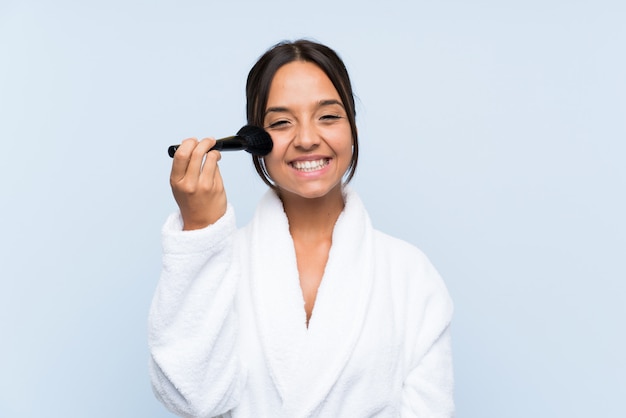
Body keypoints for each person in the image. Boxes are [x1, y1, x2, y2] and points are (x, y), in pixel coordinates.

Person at [148, 39, 454, 418]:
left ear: (352, 126)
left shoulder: (409, 274)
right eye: (280, 123)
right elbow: (192, 397)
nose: (307, 139)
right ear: (254, 141)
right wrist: (198, 232)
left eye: (328, 116)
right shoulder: (218, 264)